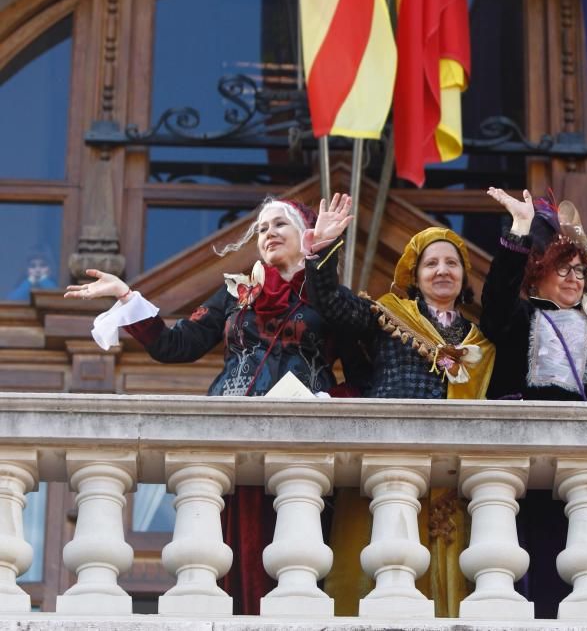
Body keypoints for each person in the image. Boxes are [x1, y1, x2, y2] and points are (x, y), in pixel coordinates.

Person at [64, 194, 367, 614]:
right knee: (229, 552)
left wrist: (325, 399)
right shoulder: (236, 293)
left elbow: (364, 378)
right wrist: (126, 298)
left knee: (296, 555)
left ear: (307, 235)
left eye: (281, 224)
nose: (269, 234)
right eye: (262, 228)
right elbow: (175, 345)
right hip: (229, 436)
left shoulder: (329, 297)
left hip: (304, 441)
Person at [305, 198, 495, 616]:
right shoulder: (388, 316)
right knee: (380, 568)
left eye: (452, 263)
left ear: (464, 277)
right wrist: (323, 249)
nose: (442, 271)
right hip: (387, 458)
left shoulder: (479, 341)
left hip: (449, 472)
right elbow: (333, 305)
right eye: (431, 264)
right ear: (415, 274)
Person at [480, 187, 587, 618]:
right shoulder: (519, 318)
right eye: (564, 269)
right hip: (529, 470)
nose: (575, 278)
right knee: (534, 585)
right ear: (538, 274)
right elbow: (495, 301)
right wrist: (519, 229)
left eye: (580, 270)